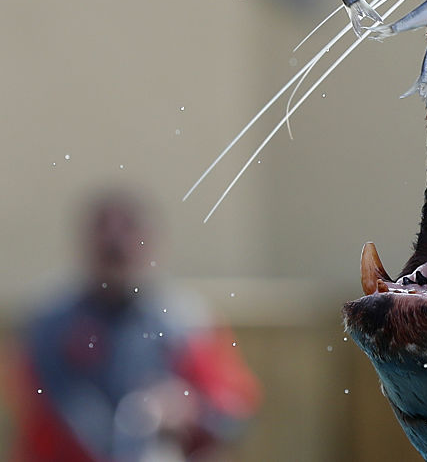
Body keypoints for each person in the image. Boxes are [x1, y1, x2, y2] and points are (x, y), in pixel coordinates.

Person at [7, 191, 261, 461]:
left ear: (151, 245)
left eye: (127, 237)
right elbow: (49, 407)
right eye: (107, 246)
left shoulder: (182, 321)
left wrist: (188, 408)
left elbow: (234, 412)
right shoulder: (51, 324)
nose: (116, 242)